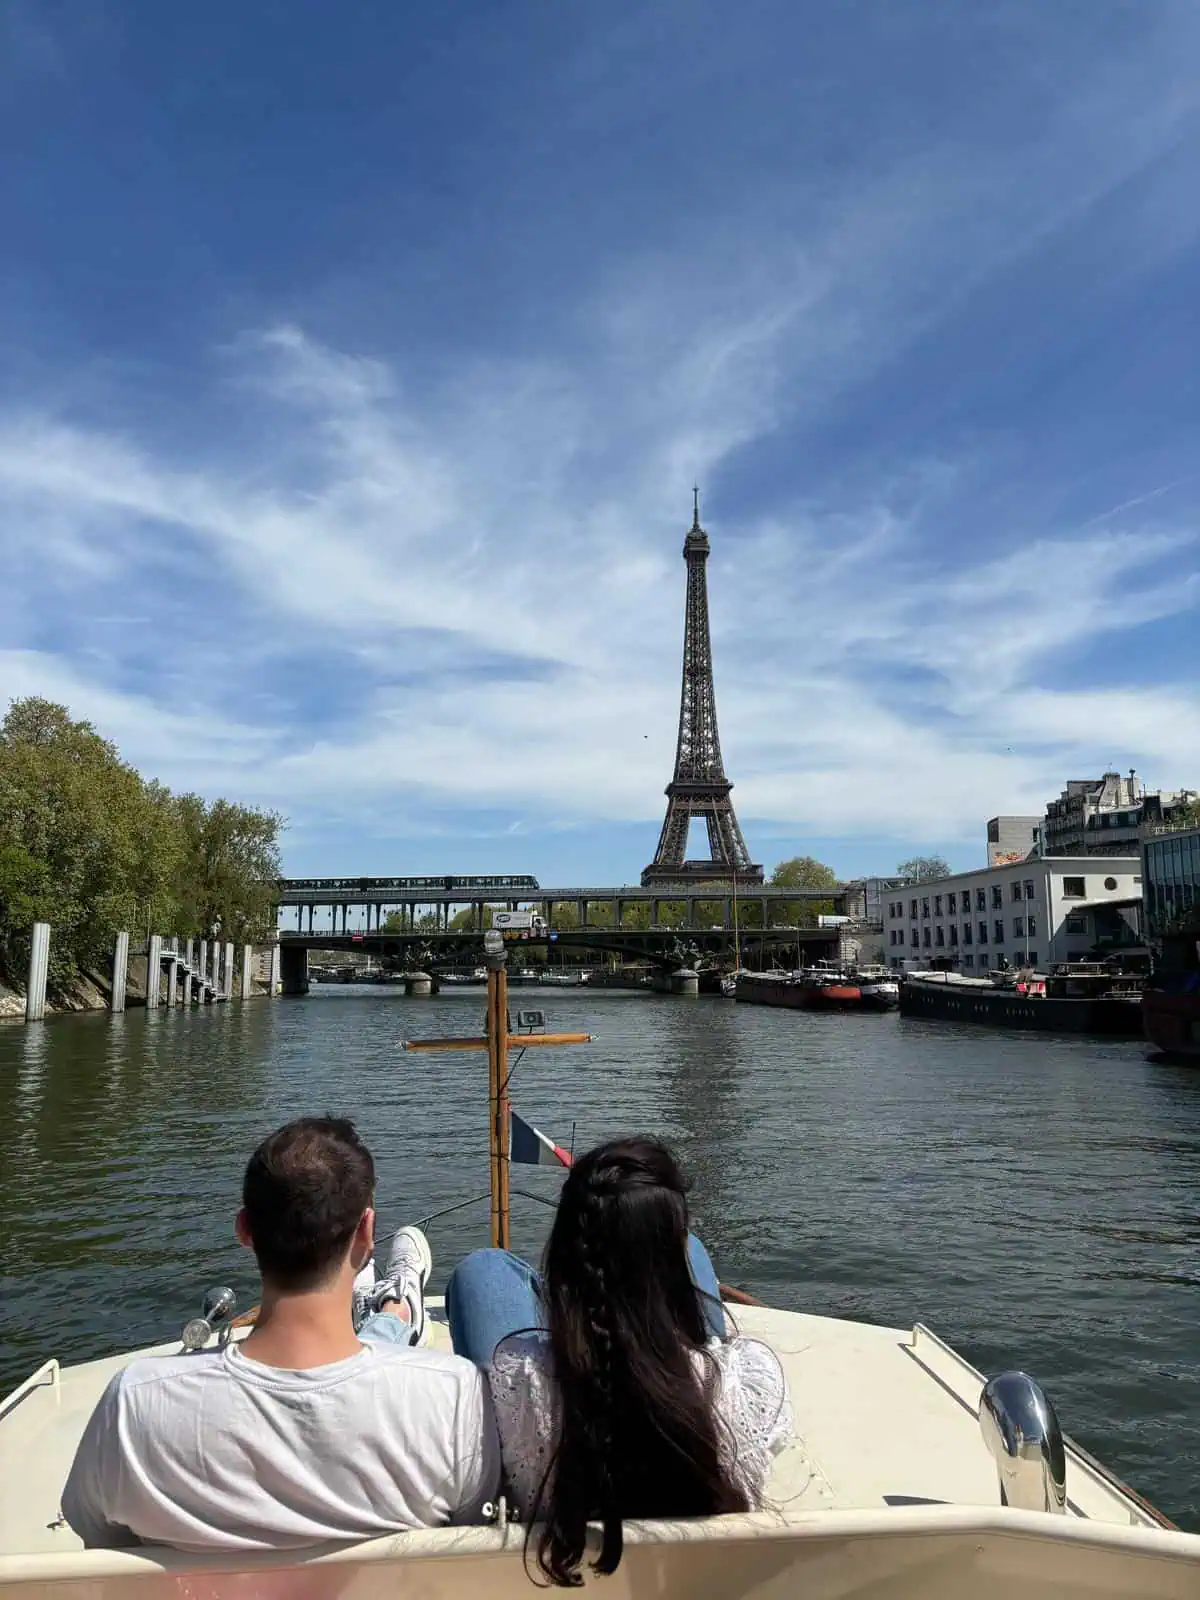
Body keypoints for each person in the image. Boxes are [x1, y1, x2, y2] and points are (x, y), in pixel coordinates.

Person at [62, 1116, 500, 1550]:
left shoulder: (134, 1402)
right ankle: (394, 1312)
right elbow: (473, 1533)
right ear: (366, 1234)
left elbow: (101, 1538)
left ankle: (391, 1315)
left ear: (244, 1230)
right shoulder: (454, 1396)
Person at [444, 1136, 792, 1586]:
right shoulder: (748, 1380)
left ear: (566, 1259)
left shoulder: (517, 1379)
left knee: (485, 1269)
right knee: (695, 1250)